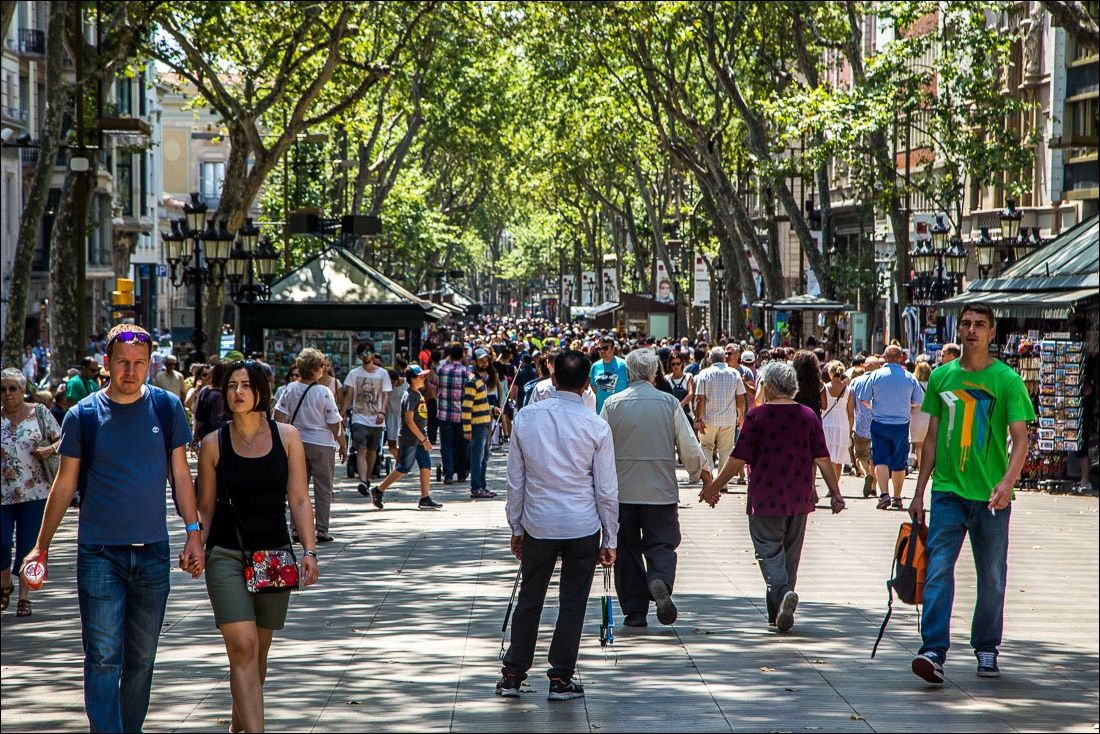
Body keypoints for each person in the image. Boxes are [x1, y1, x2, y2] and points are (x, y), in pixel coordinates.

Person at [22, 324, 203, 733]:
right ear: (107, 363)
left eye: (139, 363)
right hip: (100, 553)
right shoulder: (83, 415)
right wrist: (40, 546)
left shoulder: (167, 408)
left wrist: (194, 533)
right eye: (122, 362)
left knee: (142, 658)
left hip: (153, 552)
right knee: (103, 656)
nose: (130, 371)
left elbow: (180, 475)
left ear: (150, 364)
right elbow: (64, 484)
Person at [908, 303, 1035, 684]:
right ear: (958, 330)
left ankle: (986, 646)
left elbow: (1021, 439)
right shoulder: (941, 377)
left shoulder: (1007, 380)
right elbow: (931, 438)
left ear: (992, 332)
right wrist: (919, 492)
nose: (972, 330)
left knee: (992, 575)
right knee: (938, 569)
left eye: (980, 324)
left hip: (992, 496)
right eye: (966, 324)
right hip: (947, 491)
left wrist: (1008, 482)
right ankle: (933, 649)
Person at [197, 360, 319, 733]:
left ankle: (239, 727)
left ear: (261, 391)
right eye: (232, 386)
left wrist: (309, 551)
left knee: (257, 655)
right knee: (243, 645)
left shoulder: (288, 437)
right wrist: (194, 544)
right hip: (225, 553)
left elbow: (299, 499)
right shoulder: (213, 444)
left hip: (274, 556)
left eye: (246, 385)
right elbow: (205, 507)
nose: (238, 392)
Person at [497, 350, 618, 700]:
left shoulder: (526, 418)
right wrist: (610, 536)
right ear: (587, 384)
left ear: (553, 377)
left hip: (538, 523)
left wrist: (516, 526)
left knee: (530, 597)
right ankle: (560, 678)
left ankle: (513, 673)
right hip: (582, 524)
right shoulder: (596, 425)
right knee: (573, 602)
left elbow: (515, 481)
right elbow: (606, 489)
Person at [701, 361, 845, 632]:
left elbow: (737, 459)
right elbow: (823, 457)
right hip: (799, 496)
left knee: (768, 552)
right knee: (790, 556)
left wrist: (714, 486)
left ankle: (783, 594)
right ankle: (779, 609)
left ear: (768, 386)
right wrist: (835, 493)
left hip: (766, 496)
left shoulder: (757, 417)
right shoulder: (808, 416)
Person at [601, 349, 710, 627]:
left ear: (628, 373)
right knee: (662, 543)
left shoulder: (612, 404)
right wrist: (703, 474)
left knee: (626, 550)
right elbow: (688, 445)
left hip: (621, 491)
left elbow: (598, 447)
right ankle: (658, 579)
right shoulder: (669, 403)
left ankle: (635, 611)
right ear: (654, 374)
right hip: (660, 490)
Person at [2, 369, 60, 617]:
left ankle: (24, 597)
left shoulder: (39, 413)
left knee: (29, 546)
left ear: (22, 390)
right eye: (2, 389)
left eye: (12, 388)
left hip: (35, 493)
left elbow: (64, 439)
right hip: (3, 494)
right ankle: (5, 583)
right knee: (1, 543)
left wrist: (50, 450)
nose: (7, 394)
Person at [274, 349, 346, 543]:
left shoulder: (290, 388)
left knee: (297, 487)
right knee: (323, 488)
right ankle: (321, 529)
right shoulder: (324, 392)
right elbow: (334, 423)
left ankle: (296, 528)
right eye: (322, 365)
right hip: (322, 444)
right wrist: (343, 444)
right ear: (316, 369)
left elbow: (278, 415)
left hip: (296, 443)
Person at [858, 345, 925, 510]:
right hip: (901, 425)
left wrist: (874, 407)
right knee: (899, 462)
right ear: (901, 358)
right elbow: (919, 401)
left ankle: (884, 495)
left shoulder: (875, 375)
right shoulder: (909, 377)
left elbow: (863, 398)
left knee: (880, 459)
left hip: (879, 423)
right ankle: (897, 497)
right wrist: (905, 406)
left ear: (885, 357)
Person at [372, 366, 443, 510]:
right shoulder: (411, 395)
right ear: (413, 379)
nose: (423, 379)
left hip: (418, 438)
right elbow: (409, 421)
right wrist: (423, 440)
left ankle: (425, 498)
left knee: (426, 465)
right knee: (403, 467)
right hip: (410, 439)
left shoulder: (417, 394)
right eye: (420, 376)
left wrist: (424, 438)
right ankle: (379, 490)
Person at [341, 344, 392, 496]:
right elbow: (349, 395)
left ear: (373, 354)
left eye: (368, 352)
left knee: (372, 451)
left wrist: (382, 412)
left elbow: (385, 395)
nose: (365, 355)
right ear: (359, 356)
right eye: (362, 353)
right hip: (359, 418)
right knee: (361, 450)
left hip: (376, 419)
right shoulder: (353, 373)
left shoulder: (383, 373)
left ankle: (367, 477)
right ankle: (363, 480)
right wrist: (342, 414)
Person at [693, 347, 747, 479]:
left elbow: (700, 399)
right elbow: (740, 398)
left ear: (710, 359)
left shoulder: (704, 374)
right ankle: (722, 482)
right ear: (724, 358)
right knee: (726, 450)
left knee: (705, 446)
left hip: (708, 419)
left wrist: (698, 418)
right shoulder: (734, 373)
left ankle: (708, 477)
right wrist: (741, 416)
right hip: (728, 419)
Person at [463, 348, 497, 500]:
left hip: (484, 424)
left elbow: (480, 403)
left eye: (486, 360)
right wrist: (467, 430)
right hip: (477, 426)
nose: (484, 363)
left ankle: (481, 486)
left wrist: (492, 409)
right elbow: (466, 407)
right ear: (474, 362)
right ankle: (476, 488)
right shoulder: (472, 382)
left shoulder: (480, 380)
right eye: (481, 360)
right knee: (477, 458)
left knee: (484, 458)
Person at [436, 343, 470, 485]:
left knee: (446, 445)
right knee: (461, 445)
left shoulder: (440, 370)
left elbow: (437, 388)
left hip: (444, 414)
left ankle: (448, 474)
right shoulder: (466, 372)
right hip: (461, 414)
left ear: (449, 355)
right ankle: (461, 473)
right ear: (462, 355)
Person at [821, 360, 852, 484]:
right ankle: (835, 485)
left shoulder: (825, 388)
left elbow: (823, 406)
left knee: (827, 457)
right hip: (843, 425)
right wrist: (850, 430)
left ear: (830, 373)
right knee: (839, 458)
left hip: (827, 424)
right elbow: (850, 413)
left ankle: (829, 484)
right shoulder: (848, 390)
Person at [589, 336, 629, 414]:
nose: (601, 351)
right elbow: (593, 390)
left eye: (605, 348)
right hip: (600, 412)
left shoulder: (624, 365)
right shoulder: (595, 366)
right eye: (599, 348)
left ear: (613, 349)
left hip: (620, 412)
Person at [909, 361, 932, 471]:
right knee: (930, 444)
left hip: (917, 417)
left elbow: (913, 402)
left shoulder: (914, 384)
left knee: (919, 446)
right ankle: (930, 468)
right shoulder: (932, 383)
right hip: (930, 417)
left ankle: (921, 467)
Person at [383, 368, 407, 467]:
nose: (392, 386)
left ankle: (400, 464)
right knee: (391, 443)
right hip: (391, 416)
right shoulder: (386, 387)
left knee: (402, 442)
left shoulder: (406, 384)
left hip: (403, 417)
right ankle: (400, 461)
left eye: (393, 383)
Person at [665, 351, 694, 421]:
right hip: (671, 416)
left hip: (687, 416)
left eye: (678, 363)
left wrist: (681, 404)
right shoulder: (666, 378)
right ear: (670, 365)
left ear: (682, 364)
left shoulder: (688, 377)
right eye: (673, 364)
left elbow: (691, 393)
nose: (676, 366)